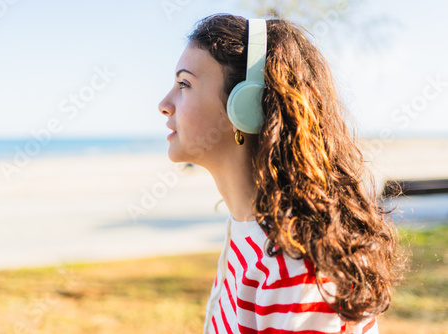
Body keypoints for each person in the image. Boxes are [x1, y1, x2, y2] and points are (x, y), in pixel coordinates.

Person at [158, 14, 403, 334]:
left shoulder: (296, 265)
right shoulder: (249, 230)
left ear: (246, 106)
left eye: (184, 84)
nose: (164, 104)